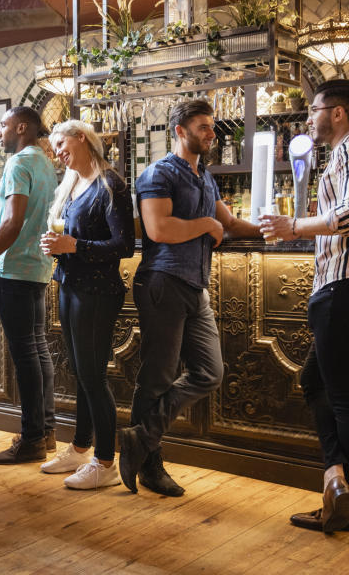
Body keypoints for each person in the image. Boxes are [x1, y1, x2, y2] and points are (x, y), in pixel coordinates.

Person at [260, 80, 349, 534]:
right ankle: (339, 486)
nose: (308, 119)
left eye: (313, 110)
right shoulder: (344, 155)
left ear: (337, 113)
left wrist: (293, 225)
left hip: (348, 284)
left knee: (343, 395)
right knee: (316, 381)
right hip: (343, 285)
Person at [117, 99, 261, 496]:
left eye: (211, 126)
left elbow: (229, 224)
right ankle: (151, 466)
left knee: (210, 371)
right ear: (180, 131)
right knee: (158, 377)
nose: (211, 133)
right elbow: (158, 229)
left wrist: (277, 230)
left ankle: (139, 437)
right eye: (202, 127)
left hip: (195, 286)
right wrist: (206, 223)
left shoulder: (205, 177)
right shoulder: (157, 174)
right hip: (162, 283)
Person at [40, 120, 134, 490]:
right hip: (69, 285)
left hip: (97, 292)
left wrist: (75, 247)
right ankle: (80, 447)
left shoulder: (112, 185)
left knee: (93, 376)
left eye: (61, 144)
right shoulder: (72, 185)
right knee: (80, 372)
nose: (58, 152)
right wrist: (58, 247)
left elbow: (124, 246)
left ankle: (106, 462)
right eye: (54, 147)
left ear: (82, 138)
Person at [0, 107, 58, 464]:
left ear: (21, 127)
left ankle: (30, 439)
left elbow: (12, 222)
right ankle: (47, 431)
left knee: (26, 354)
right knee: (38, 350)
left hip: (15, 268)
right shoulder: (46, 162)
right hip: (39, 267)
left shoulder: (18, 165)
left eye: (3, 126)